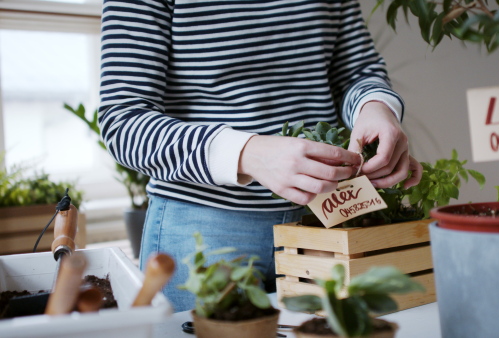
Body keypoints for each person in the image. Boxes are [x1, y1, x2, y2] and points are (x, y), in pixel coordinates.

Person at [99, 0, 423, 312]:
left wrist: (376, 108)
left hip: (324, 221)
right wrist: (248, 153)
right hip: (202, 227)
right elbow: (124, 121)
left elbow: (357, 71)